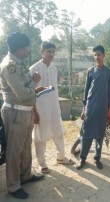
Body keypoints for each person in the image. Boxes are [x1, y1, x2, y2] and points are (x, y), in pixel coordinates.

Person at [0, 32, 45, 199]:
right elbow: (23, 94)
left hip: (25, 112)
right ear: (20, 48)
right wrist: (35, 81)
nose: (29, 49)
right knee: (14, 151)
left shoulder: (20, 62)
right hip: (15, 111)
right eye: (27, 47)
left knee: (26, 147)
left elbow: (27, 88)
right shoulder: (9, 66)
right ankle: (13, 186)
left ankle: (25, 176)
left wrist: (33, 110)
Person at [29, 42, 75, 174]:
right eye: (49, 51)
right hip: (40, 108)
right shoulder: (34, 69)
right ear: (42, 51)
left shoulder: (54, 69)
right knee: (40, 136)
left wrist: (58, 105)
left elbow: (54, 90)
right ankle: (42, 162)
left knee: (58, 132)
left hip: (54, 107)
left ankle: (61, 157)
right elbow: (30, 92)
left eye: (53, 52)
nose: (51, 54)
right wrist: (34, 111)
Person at [76, 45, 110, 170]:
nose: (97, 57)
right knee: (86, 134)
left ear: (104, 55)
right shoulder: (90, 71)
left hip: (102, 108)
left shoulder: (109, 72)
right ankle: (82, 158)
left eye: (99, 54)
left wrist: (109, 110)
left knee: (99, 135)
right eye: (95, 55)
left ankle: (97, 158)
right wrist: (83, 109)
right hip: (90, 107)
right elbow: (86, 91)